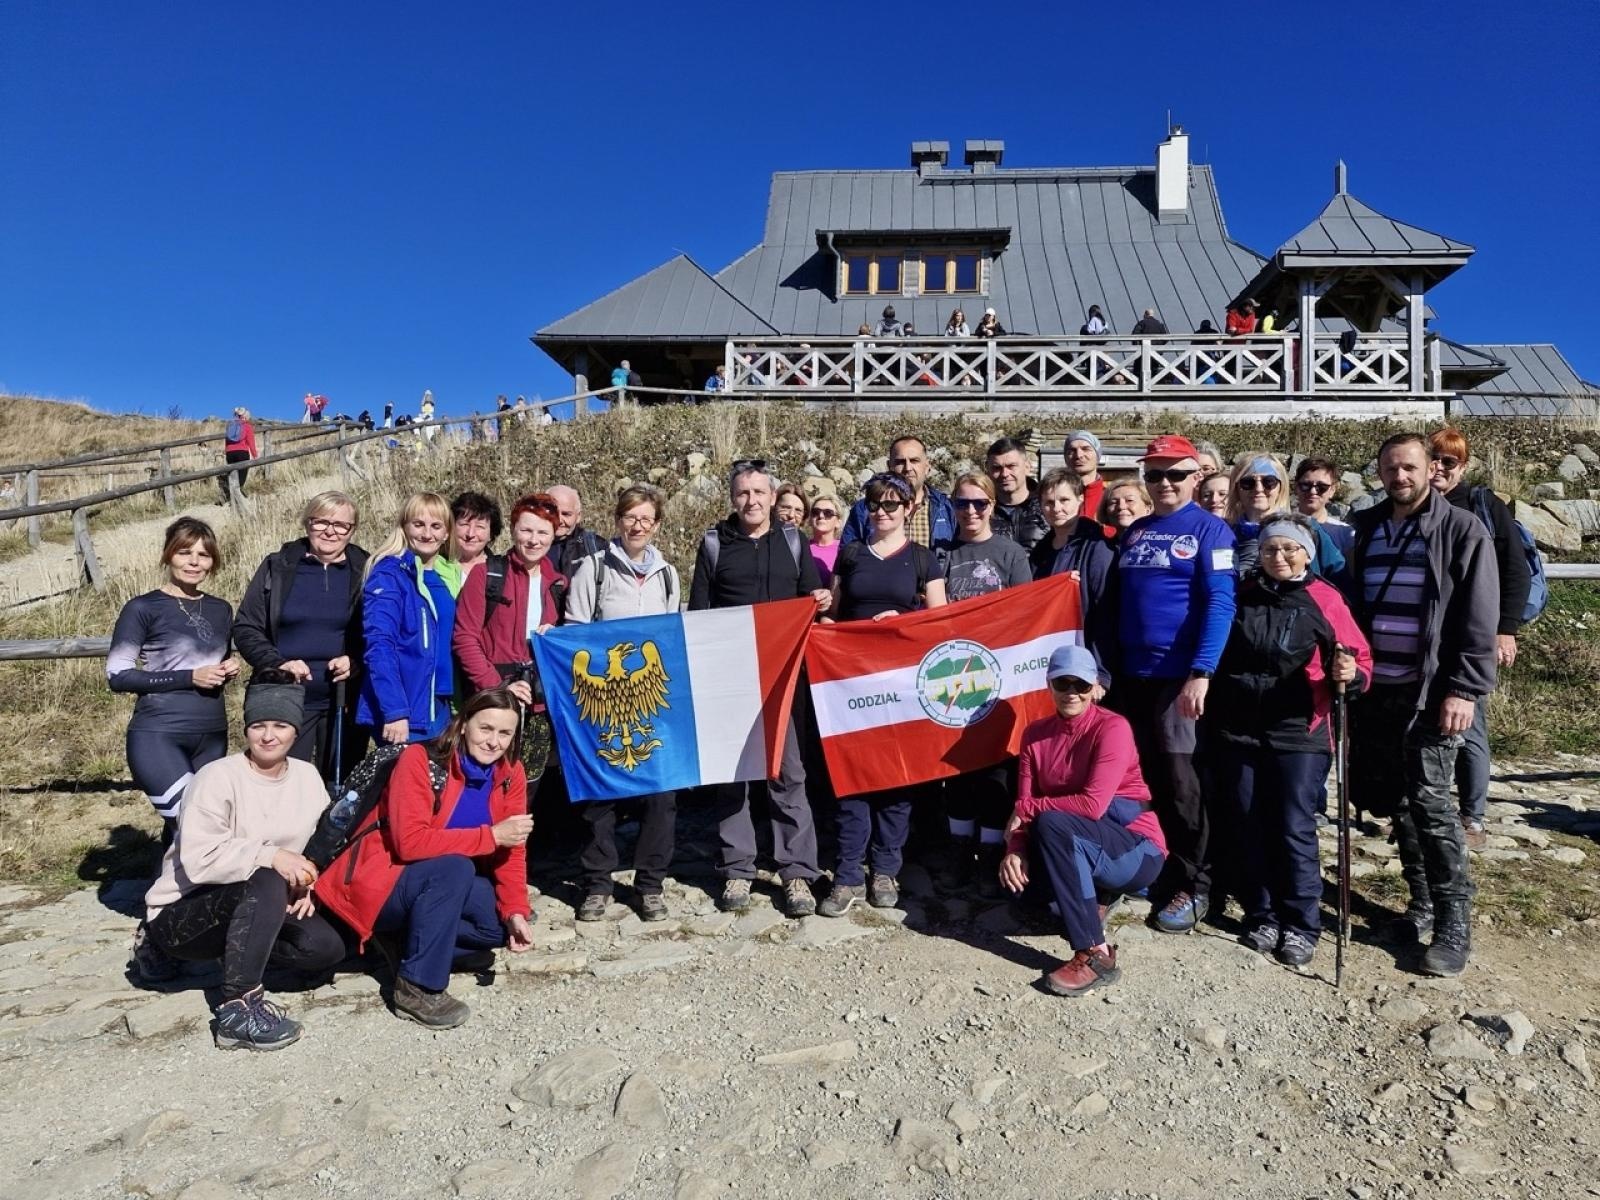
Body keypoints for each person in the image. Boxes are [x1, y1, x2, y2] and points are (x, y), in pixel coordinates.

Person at [1347, 433, 1497, 976]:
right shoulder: (1365, 528)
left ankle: (1454, 923)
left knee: (1433, 806)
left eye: (1409, 467)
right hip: (1376, 690)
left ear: (1431, 468)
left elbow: (1479, 615)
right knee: (1400, 803)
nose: (1400, 477)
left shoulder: (1461, 529)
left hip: (1431, 692)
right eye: (1391, 468)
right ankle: (1422, 903)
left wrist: (1465, 689)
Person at [140, 671, 348, 1048]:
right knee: (266, 876)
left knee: (324, 949)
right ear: (246, 729)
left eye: (280, 725)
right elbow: (199, 859)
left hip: (262, 903)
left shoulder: (307, 777)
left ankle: (242, 954)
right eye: (258, 725)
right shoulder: (216, 777)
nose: (268, 736)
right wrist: (272, 856)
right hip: (184, 911)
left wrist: (308, 880)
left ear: (295, 730)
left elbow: (316, 845)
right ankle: (237, 1009)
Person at [316, 687, 534, 1028]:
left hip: (437, 887)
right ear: (464, 723)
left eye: (505, 733)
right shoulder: (420, 760)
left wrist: (515, 910)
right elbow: (410, 843)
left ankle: (404, 943)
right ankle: (417, 987)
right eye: (486, 728)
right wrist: (490, 836)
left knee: (496, 928)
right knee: (455, 866)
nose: (494, 741)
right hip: (385, 880)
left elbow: (513, 848)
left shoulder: (510, 773)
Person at [1209, 516, 1373, 967]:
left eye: (1289, 549)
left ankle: (1301, 923)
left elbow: (1360, 660)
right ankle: (1262, 913)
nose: (1278, 557)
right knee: (1247, 821)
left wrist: (1351, 674)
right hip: (1239, 727)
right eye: (1269, 549)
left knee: (1292, 825)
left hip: (1300, 730)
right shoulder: (1242, 594)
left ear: (1307, 554)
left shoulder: (1325, 598)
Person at [1105, 434, 1236, 934]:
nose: (1164, 483)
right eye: (1155, 474)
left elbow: (1221, 603)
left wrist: (1201, 672)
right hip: (1130, 677)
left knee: (1183, 785)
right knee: (1140, 781)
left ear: (1196, 476)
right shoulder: (1136, 532)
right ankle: (1150, 867)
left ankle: (1196, 884)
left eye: (1176, 474)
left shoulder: (1211, 531)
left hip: (1178, 678)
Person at [689, 461, 833, 917]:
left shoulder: (793, 542)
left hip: (784, 679)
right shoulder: (714, 544)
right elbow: (699, 614)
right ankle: (738, 868)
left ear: (773, 497)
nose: (750, 500)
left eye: (758, 492)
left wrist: (822, 599)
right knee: (734, 775)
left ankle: (797, 872)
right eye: (742, 493)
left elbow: (812, 597)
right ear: (733, 499)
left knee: (788, 773)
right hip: (731, 680)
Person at [999, 644, 1167, 996]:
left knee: (1053, 823)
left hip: (1137, 848)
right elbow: (1025, 800)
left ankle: (1096, 953)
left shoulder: (1113, 727)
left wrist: (1027, 811)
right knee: (1019, 892)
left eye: (1081, 684)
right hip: (1081, 840)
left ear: (1095, 687)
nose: (1072, 692)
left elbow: (1090, 805)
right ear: (1049, 684)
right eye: (1063, 683)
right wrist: (1015, 848)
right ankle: (1100, 896)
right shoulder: (1034, 734)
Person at [819, 473, 948, 916]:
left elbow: (940, 623)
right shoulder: (851, 553)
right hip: (851, 682)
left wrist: (902, 621)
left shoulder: (923, 559)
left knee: (896, 777)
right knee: (851, 776)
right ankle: (848, 873)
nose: (882, 512)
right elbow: (832, 617)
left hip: (900, 685)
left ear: (909, 509)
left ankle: (886, 869)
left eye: (892, 504)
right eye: (875, 504)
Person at [564, 485, 681, 923]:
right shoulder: (592, 569)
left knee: (661, 796)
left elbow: (671, 636)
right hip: (605, 698)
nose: (638, 525)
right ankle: (598, 884)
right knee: (600, 796)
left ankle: (650, 884)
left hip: (650, 703)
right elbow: (575, 630)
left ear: (657, 525)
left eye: (646, 518)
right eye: (631, 517)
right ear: (617, 520)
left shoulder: (668, 575)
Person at [1427, 428, 1531, 853]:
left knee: (1470, 724)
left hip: (1471, 634)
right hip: (1424, 637)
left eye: (1449, 462)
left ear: (1463, 466)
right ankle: (1426, 810)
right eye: (1432, 458)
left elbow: (1516, 570)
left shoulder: (1483, 506)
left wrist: (1505, 628)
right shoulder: (1414, 505)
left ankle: (1472, 816)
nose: (1439, 468)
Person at [110, 517, 238, 849]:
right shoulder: (142, 607)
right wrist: (189, 676)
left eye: (203, 555)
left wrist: (227, 669)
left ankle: (165, 884)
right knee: (199, 828)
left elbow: (212, 665)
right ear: (168, 555)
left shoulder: (221, 609)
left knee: (184, 838)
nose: (194, 562)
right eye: (184, 553)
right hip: (159, 735)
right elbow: (118, 676)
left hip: (212, 735)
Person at [232, 492, 368, 777]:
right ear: (307, 523)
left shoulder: (368, 570)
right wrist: (278, 663)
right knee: (282, 781)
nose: (330, 531)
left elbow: (382, 630)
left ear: (352, 530)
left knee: (342, 786)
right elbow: (246, 626)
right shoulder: (278, 566)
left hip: (345, 698)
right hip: (285, 695)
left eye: (341, 525)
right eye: (321, 522)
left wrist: (357, 659)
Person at [453, 493, 565, 783]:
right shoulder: (486, 575)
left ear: (554, 535)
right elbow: (465, 638)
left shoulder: (558, 584)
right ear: (514, 530)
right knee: (486, 781)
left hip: (538, 706)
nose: (534, 540)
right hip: (492, 701)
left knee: (528, 786)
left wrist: (556, 637)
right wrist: (498, 687)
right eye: (526, 530)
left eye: (543, 532)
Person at [357, 493, 463, 746]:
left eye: (436, 526)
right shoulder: (389, 574)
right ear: (404, 527)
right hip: (407, 705)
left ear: (447, 533)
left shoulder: (448, 574)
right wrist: (395, 710)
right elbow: (379, 644)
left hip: (440, 702)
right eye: (418, 524)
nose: (427, 534)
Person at [1028, 468, 1114, 687]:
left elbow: (1106, 612)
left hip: (1087, 662)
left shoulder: (1096, 545)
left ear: (1080, 499)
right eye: (1049, 502)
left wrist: (1101, 673)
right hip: (1052, 656)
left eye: (1064, 500)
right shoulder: (1040, 551)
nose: (1056, 508)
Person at [1226, 453, 1348, 588]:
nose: (1258, 489)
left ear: (1281, 486)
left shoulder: (1305, 528)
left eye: (1269, 482)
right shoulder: (1222, 532)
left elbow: (1341, 580)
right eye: (1248, 482)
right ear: (1235, 487)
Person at [842, 435, 955, 548]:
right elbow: (848, 553)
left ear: (927, 466)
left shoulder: (946, 508)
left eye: (914, 460)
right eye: (900, 462)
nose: (908, 468)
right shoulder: (865, 509)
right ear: (889, 466)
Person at [986, 436, 1047, 550]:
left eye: (1011, 466)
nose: (1004, 474)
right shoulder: (981, 510)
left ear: (1027, 467)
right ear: (988, 470)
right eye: (997, 468)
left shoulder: (1047, 505)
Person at [1294, 457, 1356, 565]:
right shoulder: (1280, 527)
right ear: (1296, 487)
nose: (1313, 491)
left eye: (1321, 487)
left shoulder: (1345, 533)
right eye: (1306, 485)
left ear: (1332, 490)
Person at [547, 485, 608, 579]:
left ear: (578, 516)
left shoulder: (596, 547)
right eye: (552, 513)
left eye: (566, 514)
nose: (559, 520)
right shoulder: (529, 544)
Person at [1063, 431, 1108, 536]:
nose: (1079, 455)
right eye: (1072, 451)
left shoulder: (1110, 498)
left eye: (1086, 449)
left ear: (1098, 455)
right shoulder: (1054, 498)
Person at [450, 491, 503, 580]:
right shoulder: (436, 565)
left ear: (491, 534)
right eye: (464, 524)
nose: (470, 534)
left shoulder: (501, 572)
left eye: (480, 526)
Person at [220, 407, 256, 502]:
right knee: (242, 475)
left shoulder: (230, 425)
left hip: (230, 453)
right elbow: (251, 442)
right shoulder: (247, 426)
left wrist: (226, 450)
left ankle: (229, 496)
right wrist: (255, 455)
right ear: (245, 416)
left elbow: (227, 439)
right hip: (242, 452)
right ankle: (238, 496)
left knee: (232, 475)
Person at [807, 494, 843, 587]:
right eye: (815, 512)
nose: (821, 516)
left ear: (838, 522)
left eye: (828, 513)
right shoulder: (801, 547)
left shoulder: (844, 549)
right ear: (810, 519)